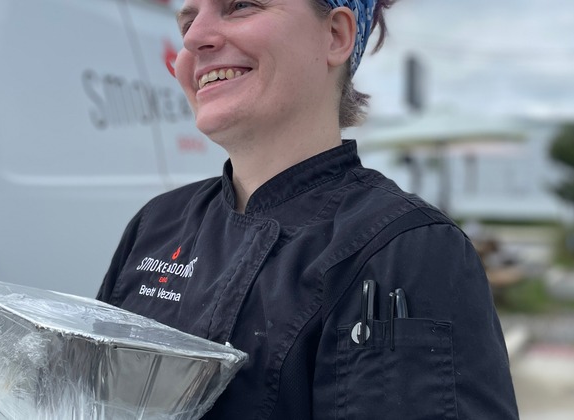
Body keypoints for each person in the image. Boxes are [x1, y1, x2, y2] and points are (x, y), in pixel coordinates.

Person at [97, 0, 519, 418]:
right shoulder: (157, 224)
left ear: (335, 35)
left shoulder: (406, 250)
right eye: (188, 20)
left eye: (240, 5)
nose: (194, 38)